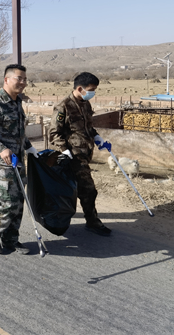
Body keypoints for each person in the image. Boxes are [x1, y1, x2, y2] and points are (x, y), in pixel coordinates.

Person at [0, 64, 38, 255]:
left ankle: (11, 239)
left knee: (19, 201)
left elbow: (19, 133)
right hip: (0, 162)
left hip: (18, 160)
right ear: (6, 80)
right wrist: (1, 148)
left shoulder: (16, 102)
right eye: (19, 78)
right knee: (8, 201)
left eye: (25, 79)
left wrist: (31, 148)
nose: (23, 82)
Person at [49, 72, 112, 236]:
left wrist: (97, 137)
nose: (93, 93)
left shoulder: (85, 104)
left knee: (76, 190)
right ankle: (92, 222)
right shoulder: (63, 107)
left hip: (85, 154)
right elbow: (54, 133)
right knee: (89, 190)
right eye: (91, 90)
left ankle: (69, 219)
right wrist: (65, 151)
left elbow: (87, 127)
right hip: (73, 157)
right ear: (79, 88)